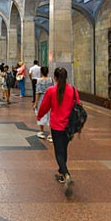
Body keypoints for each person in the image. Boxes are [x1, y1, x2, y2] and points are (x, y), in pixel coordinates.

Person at [37, 67, 79, 196]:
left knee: (58, 152)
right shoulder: (72, 89)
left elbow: (45, 106)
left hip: (56, 126)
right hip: (69, 126)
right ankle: (62, 173)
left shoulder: (51, 90)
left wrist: (39, 115)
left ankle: (66, 174)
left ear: (54, 77)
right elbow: (77, 104)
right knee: (64, 149)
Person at [33, 66, 54, 141]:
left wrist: (35, 103)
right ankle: (51, 134)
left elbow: (37, 92)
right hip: (49, 99)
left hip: (41, 99)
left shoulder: (39, 80)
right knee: (50, 115)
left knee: (41, 114)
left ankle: (41, 132)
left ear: (41, 72)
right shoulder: (51, 80)